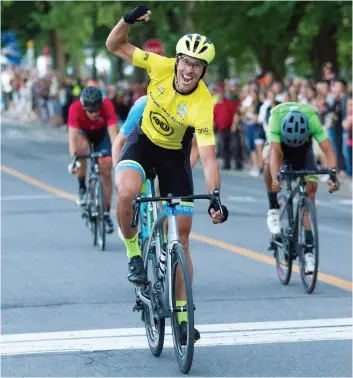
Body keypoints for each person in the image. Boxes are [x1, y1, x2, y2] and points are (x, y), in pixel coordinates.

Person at [106, 5, 228, 343]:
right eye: (186, 62)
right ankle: (133, 253)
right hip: (142, 143)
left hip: (175, 157)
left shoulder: (204, 102)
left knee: (182, 239)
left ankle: (184, 317)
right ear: (177, 60)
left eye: (197, 65)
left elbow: (207, 155)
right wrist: (127, 21)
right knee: (127, 191)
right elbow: (115, 46)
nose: (189, 70)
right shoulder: (159, 66)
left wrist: (215, 196)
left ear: (204, 71)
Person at [263, 102, 339, 273]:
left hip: (303, 150)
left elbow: (328, 149)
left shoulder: (312, 119)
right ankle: (273, 208)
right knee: (268, 161)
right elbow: (276, 153)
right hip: (279, 147)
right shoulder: (276, 118)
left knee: (310, 191)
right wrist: (275, 179)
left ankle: (309, 252)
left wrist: (333, 175)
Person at [67, 86, 118, 234]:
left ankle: (107, 212)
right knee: (81, 148)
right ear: (84, 108)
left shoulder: (107, 106)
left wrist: (117, 158)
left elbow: (114, 135)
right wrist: (74, 160)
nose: (94, 114)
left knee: (106, 168)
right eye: (90, 111)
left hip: (102, 135)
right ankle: (82, 187)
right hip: (84, 134)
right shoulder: (75, 108)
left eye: (97, 110)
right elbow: (72, 139)